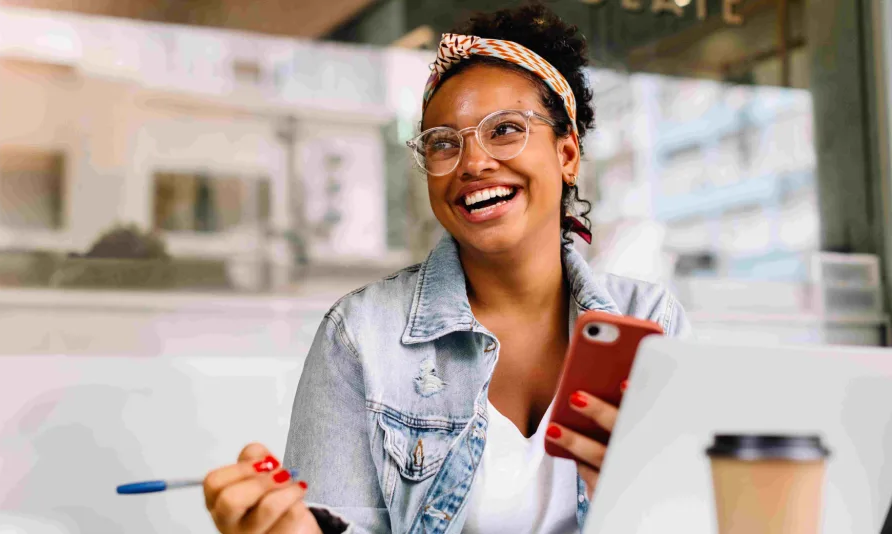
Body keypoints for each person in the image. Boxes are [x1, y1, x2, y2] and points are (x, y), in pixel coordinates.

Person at [201, 4, 690, 533]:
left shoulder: (651, 323)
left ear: (568, 153)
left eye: (505, 130)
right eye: (442, 143)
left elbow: (700, 519)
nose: (473, 162)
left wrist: (638, 497)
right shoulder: (362, 335)